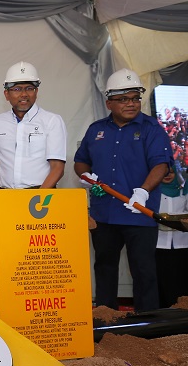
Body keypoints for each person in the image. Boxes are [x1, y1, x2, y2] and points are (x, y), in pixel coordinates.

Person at [74, 68, 171, 312]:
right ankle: (106, 322)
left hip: (139, 212)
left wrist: (143, 192)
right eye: (123, 99)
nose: (131, 103)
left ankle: (147, 323)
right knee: (104, 268)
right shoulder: (96, 129)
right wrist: (85, 175)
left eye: (135, 98)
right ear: (109, 102)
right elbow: (80, 161)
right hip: (104, 214)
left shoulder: (151, 128)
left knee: (143, 271)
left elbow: (161, 164)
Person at [0, 61, 67, 190]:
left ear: (36, 92)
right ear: (6, 94)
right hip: (6, 196)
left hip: (41, 195)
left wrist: (37, 197)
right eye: (17, 89)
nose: (24, 94)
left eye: (29, 88)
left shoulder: (52, 121)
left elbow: (57, 168)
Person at [154, 167, 188, 308]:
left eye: (172, 172)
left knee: (181, 284)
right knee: (160, 284)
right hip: (158, 245)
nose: (168, 175)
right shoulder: (151, 193)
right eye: (164, 171)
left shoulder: (184, 191)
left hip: (182, 246)